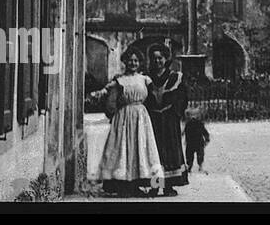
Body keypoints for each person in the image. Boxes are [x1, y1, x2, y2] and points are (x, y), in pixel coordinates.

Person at [90, 49, 165, 197]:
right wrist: (113, 114)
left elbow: (153, 99)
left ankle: (153, 185)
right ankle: (124, 186)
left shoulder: (145, 80)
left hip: (141, 118)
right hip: (123, 117)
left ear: (140, 63)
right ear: (125, 61)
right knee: (123, 150)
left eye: (136, 60)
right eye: (130, 60)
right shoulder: (119, 80)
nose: (133, 63)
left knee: (144, 150)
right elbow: (110, 100)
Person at [145, 44, 189, 196]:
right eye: (154, 58)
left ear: (166, 59)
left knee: (171, 152)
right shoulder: (146, 78)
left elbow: (183, 98)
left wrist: (175, 113)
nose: (157, 61)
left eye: (160, 58)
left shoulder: (175, 77)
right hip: (153, 120)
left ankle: (169, 186)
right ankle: (155, 186)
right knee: (154, 152)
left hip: (169, 120)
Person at [183, 108, 211, 175]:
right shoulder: (199, 123)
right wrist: (207, 139)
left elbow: (185, 132)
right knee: (198, 154)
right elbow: (205, 132)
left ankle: (191, 166)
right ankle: (198, 166)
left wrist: (185, 140)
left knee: (190, 155)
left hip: (192, 142)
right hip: (198, 142)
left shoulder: (189, 124)